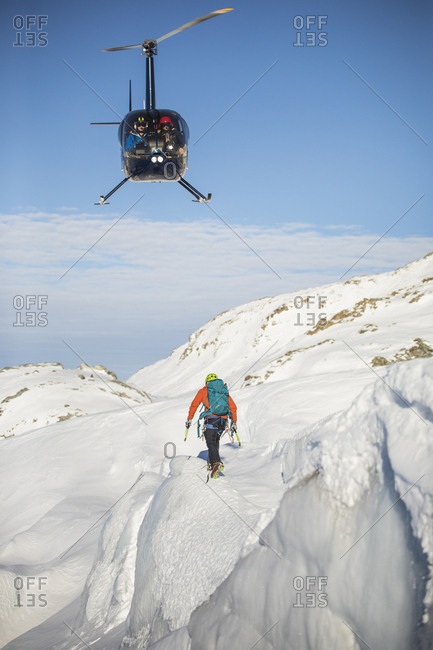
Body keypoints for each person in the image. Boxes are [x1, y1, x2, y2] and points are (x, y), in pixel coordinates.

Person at [186, 373, 237, 477]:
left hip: (211, 420)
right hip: (223, 422)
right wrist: (234, 422)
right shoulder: (222, 392)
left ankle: (216, 462)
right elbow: (233, 407)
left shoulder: (204, 391)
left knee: (210, 442)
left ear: (206, 382)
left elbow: (194, 404)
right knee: (215, 441)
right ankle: (211, 465)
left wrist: (190, 418)